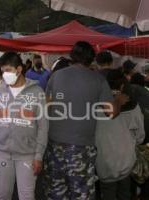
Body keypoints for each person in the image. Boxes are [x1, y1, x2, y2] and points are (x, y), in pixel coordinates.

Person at [36, 41, 129, 200]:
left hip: (53, 145)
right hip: (81, 149)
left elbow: (45, 107)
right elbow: (111, 112)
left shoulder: (56, 75)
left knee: (55, 191)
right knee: (81, 193)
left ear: (72, 56)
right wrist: (119, 101)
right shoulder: (98, 80)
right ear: (91, 59)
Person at [0, 52, 48, 200]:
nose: (4, 74)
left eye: (8, 70)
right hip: (1, 153)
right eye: (2, 71)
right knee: (3, 195)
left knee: (26, 196)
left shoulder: (37, 93)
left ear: (19, 69)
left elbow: (43, 127)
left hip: (27, 155)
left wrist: (38, 155)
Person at [96, 69, 145, 200]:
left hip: (103, 162)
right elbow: (140, 136)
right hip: (126, 161)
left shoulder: (95, 106)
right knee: (125, 193)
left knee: (108, 194)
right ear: (122, 85)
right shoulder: (133, 105)